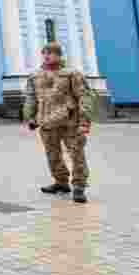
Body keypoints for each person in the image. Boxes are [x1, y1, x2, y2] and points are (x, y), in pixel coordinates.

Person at [24, 42, 93, 204]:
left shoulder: (72, 74)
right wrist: (30, 117)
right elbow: (31, 98)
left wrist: (84, 121)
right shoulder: (35, 76)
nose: (47, 56)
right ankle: (61, 182)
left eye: (51, 53)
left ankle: (79, 186)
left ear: (59, 55)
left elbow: (84, 97)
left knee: (76, 154)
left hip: (70, 122)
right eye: (45, 53)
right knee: (52, 154)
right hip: (46, 122)